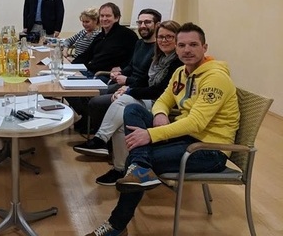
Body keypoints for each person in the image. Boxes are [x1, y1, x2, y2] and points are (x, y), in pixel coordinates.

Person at [85, 23, 239, 236]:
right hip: (186, 138)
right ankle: (139, 168)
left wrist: (150, 134)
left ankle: (116, 226)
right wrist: (160, 114)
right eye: (182, 45)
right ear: (176, 48)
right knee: (132, 109)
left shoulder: (216, 78)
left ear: (205, 47)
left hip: (209, 150)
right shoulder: (181, 72)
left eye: (193, 45)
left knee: (134, 163)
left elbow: (197, 123)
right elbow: (163, 100)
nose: (187, 50)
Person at [74, 21, 183, 187]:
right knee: (121, 119)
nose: (164, 40)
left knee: (123, 100)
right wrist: (128, 88)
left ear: (177, 39)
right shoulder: (159, 58)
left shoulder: (177, 62)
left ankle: (101, 139)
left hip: (164, 108)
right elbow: (143, 81)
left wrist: (129, 92)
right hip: (150, 100)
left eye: (169, 37)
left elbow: (158, 91)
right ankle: (120, 168)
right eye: (161, 37)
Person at [70, 8, 161, 130]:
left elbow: (148, 79)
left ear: (157, 25)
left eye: (147, 22)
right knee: (79, 90)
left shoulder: (157, 49)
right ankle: (90, 122)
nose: (143, 25)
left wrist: (127, 81)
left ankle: (96, 130)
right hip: (123, 82)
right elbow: (131, 66)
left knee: (95, 100)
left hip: (136, 88)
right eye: (140, 22)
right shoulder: (139, 43)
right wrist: (120, 73)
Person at [72, 2, 138, 77]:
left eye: (108, 16)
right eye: (102, 16)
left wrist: (122, 67)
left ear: (117, 18)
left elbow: (136, 58)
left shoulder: (128, 35)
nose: (104, 19)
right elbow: (86, 55)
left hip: (105, 75)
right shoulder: (100, 36)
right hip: (90, 72)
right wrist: (70, 65)